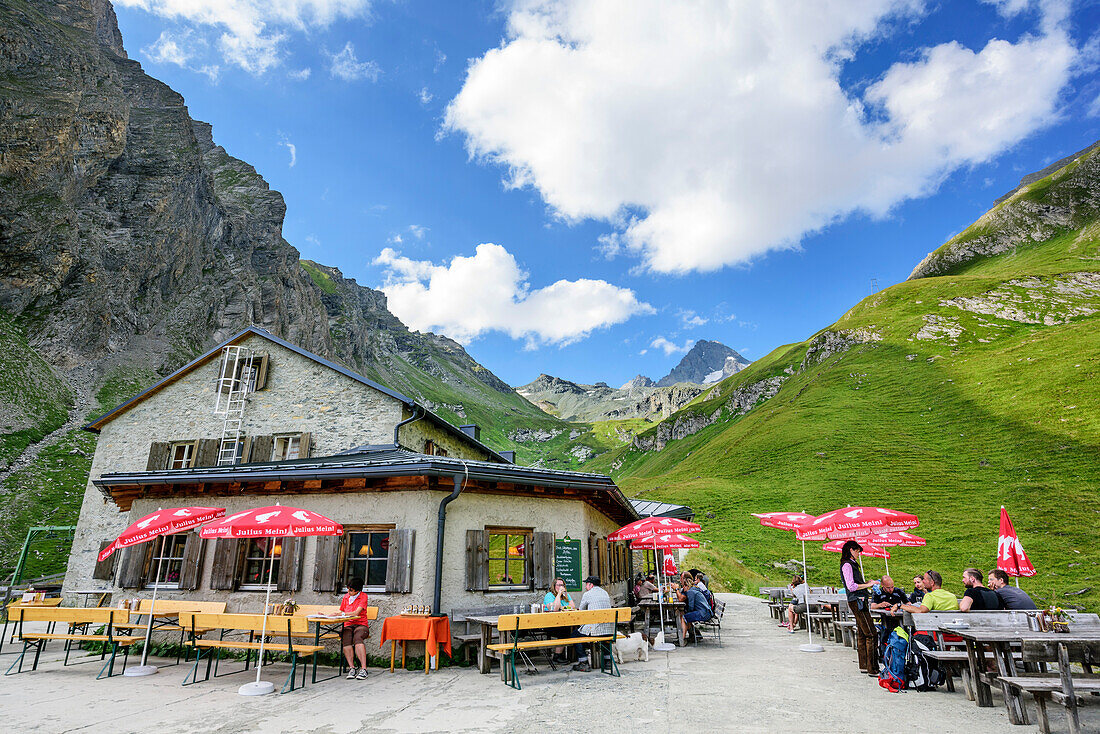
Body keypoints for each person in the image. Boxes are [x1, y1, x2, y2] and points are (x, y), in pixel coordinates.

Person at [840, 541, 880, 675]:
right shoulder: (847, 564)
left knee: (863, 633)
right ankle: (873, 668)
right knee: (871, 633)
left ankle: (864, 665)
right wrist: (868, 585)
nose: (858, 554)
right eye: (857, 551)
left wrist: (867, 583)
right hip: (857, 600)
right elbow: (851, 586)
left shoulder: (850, 564)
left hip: (858, 600)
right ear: (851, 550)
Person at [572, 575, 613, 672]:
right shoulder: (605, 593)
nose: (586, 587)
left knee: (574, 635)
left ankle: (584, 662)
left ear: (590, 585)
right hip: (609, 629)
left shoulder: (587, 594)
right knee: (604, 633)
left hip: (595, 630)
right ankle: (608, 661)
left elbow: (581, 610)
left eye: (586, 584)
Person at [340, 577, 371, 680]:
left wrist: (344, 614)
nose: (349, 592)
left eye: (352, 590)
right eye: (348, 589)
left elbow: (357, 613)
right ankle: (352, 667)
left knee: (358, 638)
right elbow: (341, 612)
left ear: (358, 590)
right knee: (346, 638)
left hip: (361, 624)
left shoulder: (363, 597)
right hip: (348, 624)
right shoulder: (345, 597)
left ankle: (363, 669)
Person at [542, 577, 575, 663]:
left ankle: (575, 655)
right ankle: (557, 656)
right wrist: (559, 594)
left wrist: (563, 606)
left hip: (564, 621)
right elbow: (555, 608)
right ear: (554, 586)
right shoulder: (549, 595)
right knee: (565, 630)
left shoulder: (566, 595)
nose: (561, 587)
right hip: (550, 623)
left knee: (574, 629)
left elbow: (573, 606)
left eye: (562, 585)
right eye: (559, 585)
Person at [679, 571, 712, 642]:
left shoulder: (690, 592)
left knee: (684, 617)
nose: (683, 589)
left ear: (687, 585)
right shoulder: (693, 589)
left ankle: (682, 639)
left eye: (684, 586)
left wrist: (687, 613)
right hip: (706, 612)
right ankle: (694, 635)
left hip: (703, 613)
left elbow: (691, 606)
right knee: (687, 616)